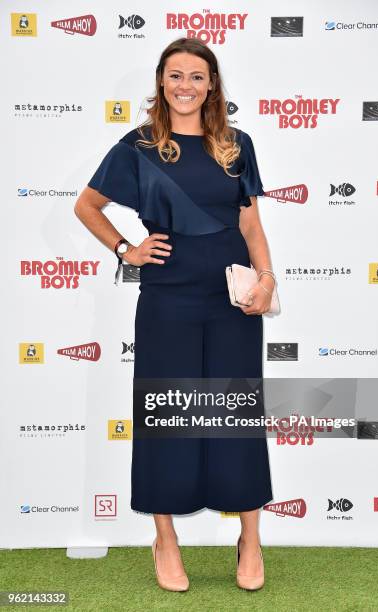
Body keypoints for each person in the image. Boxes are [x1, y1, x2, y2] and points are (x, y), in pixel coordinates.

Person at [74, 37, 275, 592]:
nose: (185, 86)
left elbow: (251, 227)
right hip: (167, 298)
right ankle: (165, 538)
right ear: (161, 83)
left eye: (196, 76)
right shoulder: (138, 147)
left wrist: (267, 279)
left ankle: (250, 539)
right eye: (175, 75)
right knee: (167, 416)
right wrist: (126, 249)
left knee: (235, 415)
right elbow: (87, 205)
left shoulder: (237, 146)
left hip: (232, 301)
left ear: (212, 86)